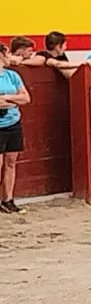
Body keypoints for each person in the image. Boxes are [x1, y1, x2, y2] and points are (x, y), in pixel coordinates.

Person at [0, 46, 28, 215]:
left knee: (11, 162)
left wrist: (7, 98)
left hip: (13, 122)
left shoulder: (12, 75)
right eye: (7, 53)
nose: (10, 56)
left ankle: (8, 199)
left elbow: (25, 98)